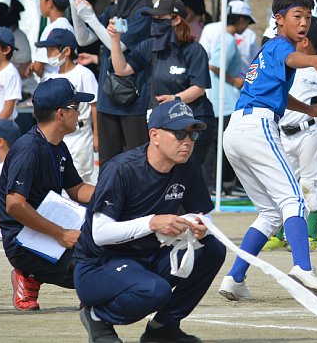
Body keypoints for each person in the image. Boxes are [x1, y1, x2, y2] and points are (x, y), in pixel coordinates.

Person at [218, 0, 317, 303]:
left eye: (308, 17)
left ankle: (234, 278)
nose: (304, 22)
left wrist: (309, 108)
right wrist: (313, 60)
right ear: (279, 20)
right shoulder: (281, 46)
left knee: (271, 213)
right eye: (297, 16)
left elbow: (276, 93)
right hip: (257, 127)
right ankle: (303, 268)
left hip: (237, 130)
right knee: (294, 200)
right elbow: (293, 58)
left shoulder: (268, 49)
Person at [74, 100, 225, 343]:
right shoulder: (121, 169)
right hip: (99, 265)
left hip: (148, 256)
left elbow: (204, 215)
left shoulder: (187, 166)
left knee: (213, 249)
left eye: (192, 134)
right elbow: (99, 233)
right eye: (179, 133)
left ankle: (163, 327)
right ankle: (97, 316)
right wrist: (152, 223)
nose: (187, 141)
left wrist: (200, 226)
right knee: (155, 291)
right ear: (154, 135)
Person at [0, 78, 95, 311]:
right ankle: (28, 274)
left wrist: (116, 193)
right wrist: (61, 234)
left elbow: (77, 189)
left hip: (48, 227)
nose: (80, 113)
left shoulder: (57, 145)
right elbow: (14, 205)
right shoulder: (28, 149)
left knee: (106, 243)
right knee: (93, 268)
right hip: (23, 239)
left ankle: (92, 286)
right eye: (76, 107)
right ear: (61, 113)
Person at [109, 0, 217, 169]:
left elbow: (199, 88)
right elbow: (122, 69)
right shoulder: (149, 47)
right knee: (161, 171)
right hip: (165, 123)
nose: (155, 22)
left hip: (193, 121)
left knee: (190, 172)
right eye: (153, 18)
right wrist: (115, 40)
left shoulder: (193, 50)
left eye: (160, 18)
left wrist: (175, 99)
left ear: (176, 19)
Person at [70, 0, 153, 164]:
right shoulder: (113, 10)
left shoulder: (145, 13)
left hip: (133, 102)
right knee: (108, 163)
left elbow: (119, 45)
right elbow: (83, 39)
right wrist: (75, 7)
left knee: (136, 162)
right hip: (107, 98)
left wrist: (90, 17)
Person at [264, 17, 317, 252]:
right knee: (284, 183)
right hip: (283, 133)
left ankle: (310, 235)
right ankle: (279, 233)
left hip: (310, 130)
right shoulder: (285, 65)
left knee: (311, 181)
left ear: (306, 41)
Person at [37, 29, 100, 184]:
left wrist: (97, 136)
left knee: (80, 180)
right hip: (56, 137)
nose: (49, 54)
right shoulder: (50, 77)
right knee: (56, 181)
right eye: (47, 50)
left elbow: (94, 106)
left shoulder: (84, 74)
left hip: (80, 135)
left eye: (52, 50)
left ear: (66, 51)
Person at [204, 0, 252, 191]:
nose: (247, 27)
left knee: (219, 144)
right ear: (240, 20)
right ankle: (219, 183)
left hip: (222, 100)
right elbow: (215, 65)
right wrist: (235, 81)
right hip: (225, 101)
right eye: (246, 21)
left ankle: (217, 183)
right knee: (223, 145)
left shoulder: (225, 37)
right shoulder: (228, 39)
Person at [28, 0, 74, 80]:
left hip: (52, 81)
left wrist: (34, 67)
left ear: (50, 2)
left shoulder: (52, 29)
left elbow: (38, 67)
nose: (40, 3)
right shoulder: (68, 26)